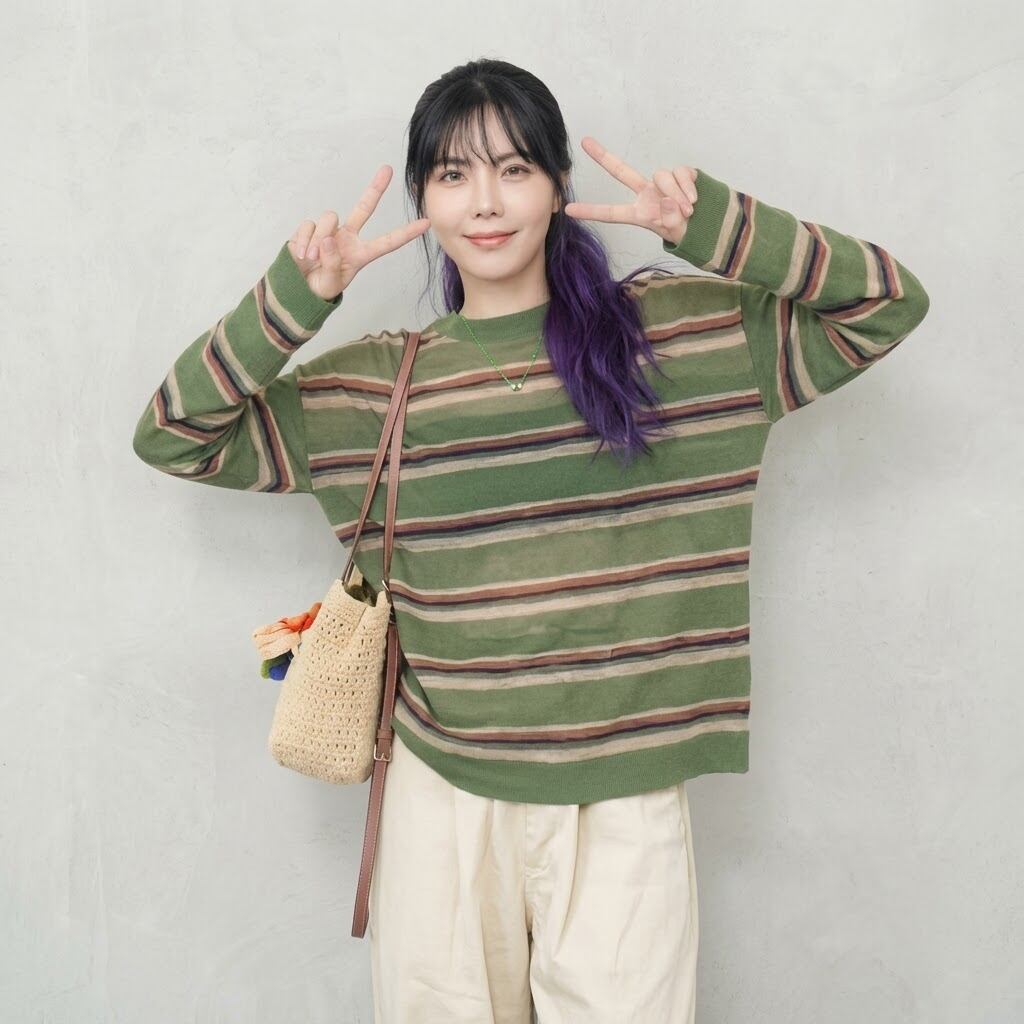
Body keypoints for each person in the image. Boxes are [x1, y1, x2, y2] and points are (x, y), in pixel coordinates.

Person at [133, 58, 929, 1024]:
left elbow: (888, 303)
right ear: (424, 198)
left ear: (557, 185)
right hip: (440, 794)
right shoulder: (372, 390)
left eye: (514, 169)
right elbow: (174, 435)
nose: (486, 201)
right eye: (453, 174)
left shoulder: (681, 342)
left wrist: (716, 226)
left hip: (626, 791)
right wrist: (294, 299)